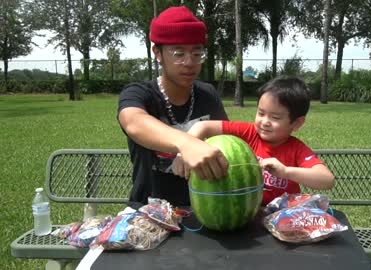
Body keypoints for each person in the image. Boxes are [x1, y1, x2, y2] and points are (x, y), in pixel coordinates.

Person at [117, 6, 229, 210]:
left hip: (204, 207)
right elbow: (133, 122)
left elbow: (227, 140)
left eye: (197, 53)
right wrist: (186, 144)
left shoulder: (208, 94)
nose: (189, 62)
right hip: (148, 210)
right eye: (178, 53)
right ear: (157, 53)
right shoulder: (139, 93)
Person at [181, 76, 335, 205]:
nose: (265, 122)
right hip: (245, 211)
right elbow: (203, 126)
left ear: (296, 123)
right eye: (261, 113)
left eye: (275, 117)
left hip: (280, 217)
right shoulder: (249, 132)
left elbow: (327, 180)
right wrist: (184, 151)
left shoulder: (296, 148)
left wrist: (286, 172)